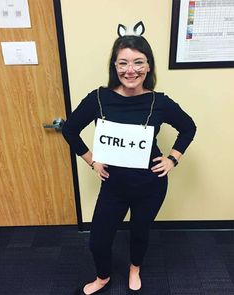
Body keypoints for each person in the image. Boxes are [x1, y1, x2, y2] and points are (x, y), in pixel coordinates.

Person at [62, 21, 196, 295]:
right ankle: (103, 277)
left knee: (139, 232)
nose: (130, 70)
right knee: (98, 240)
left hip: (150, 183)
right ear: (114, 66)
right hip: (114, 184)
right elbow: (70, 129)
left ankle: (135, 267)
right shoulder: (99, 98)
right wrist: (91, 160)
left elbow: (188, 127)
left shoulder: (159, 102)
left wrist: (172, 159)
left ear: (148, 67)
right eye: (123, 63)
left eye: (138, 62)